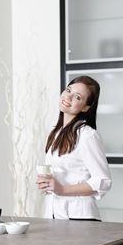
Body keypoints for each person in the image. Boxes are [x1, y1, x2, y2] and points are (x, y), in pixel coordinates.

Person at [36, 76, 112, 220]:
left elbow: (103, 181)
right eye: (68, 90)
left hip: (79, 218)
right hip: (54, 216)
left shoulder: (87, 135)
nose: (68, 97)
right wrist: (49, 183)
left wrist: (62, 189)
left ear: (85, 107)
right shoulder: (56, 133)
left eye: (77, 97)